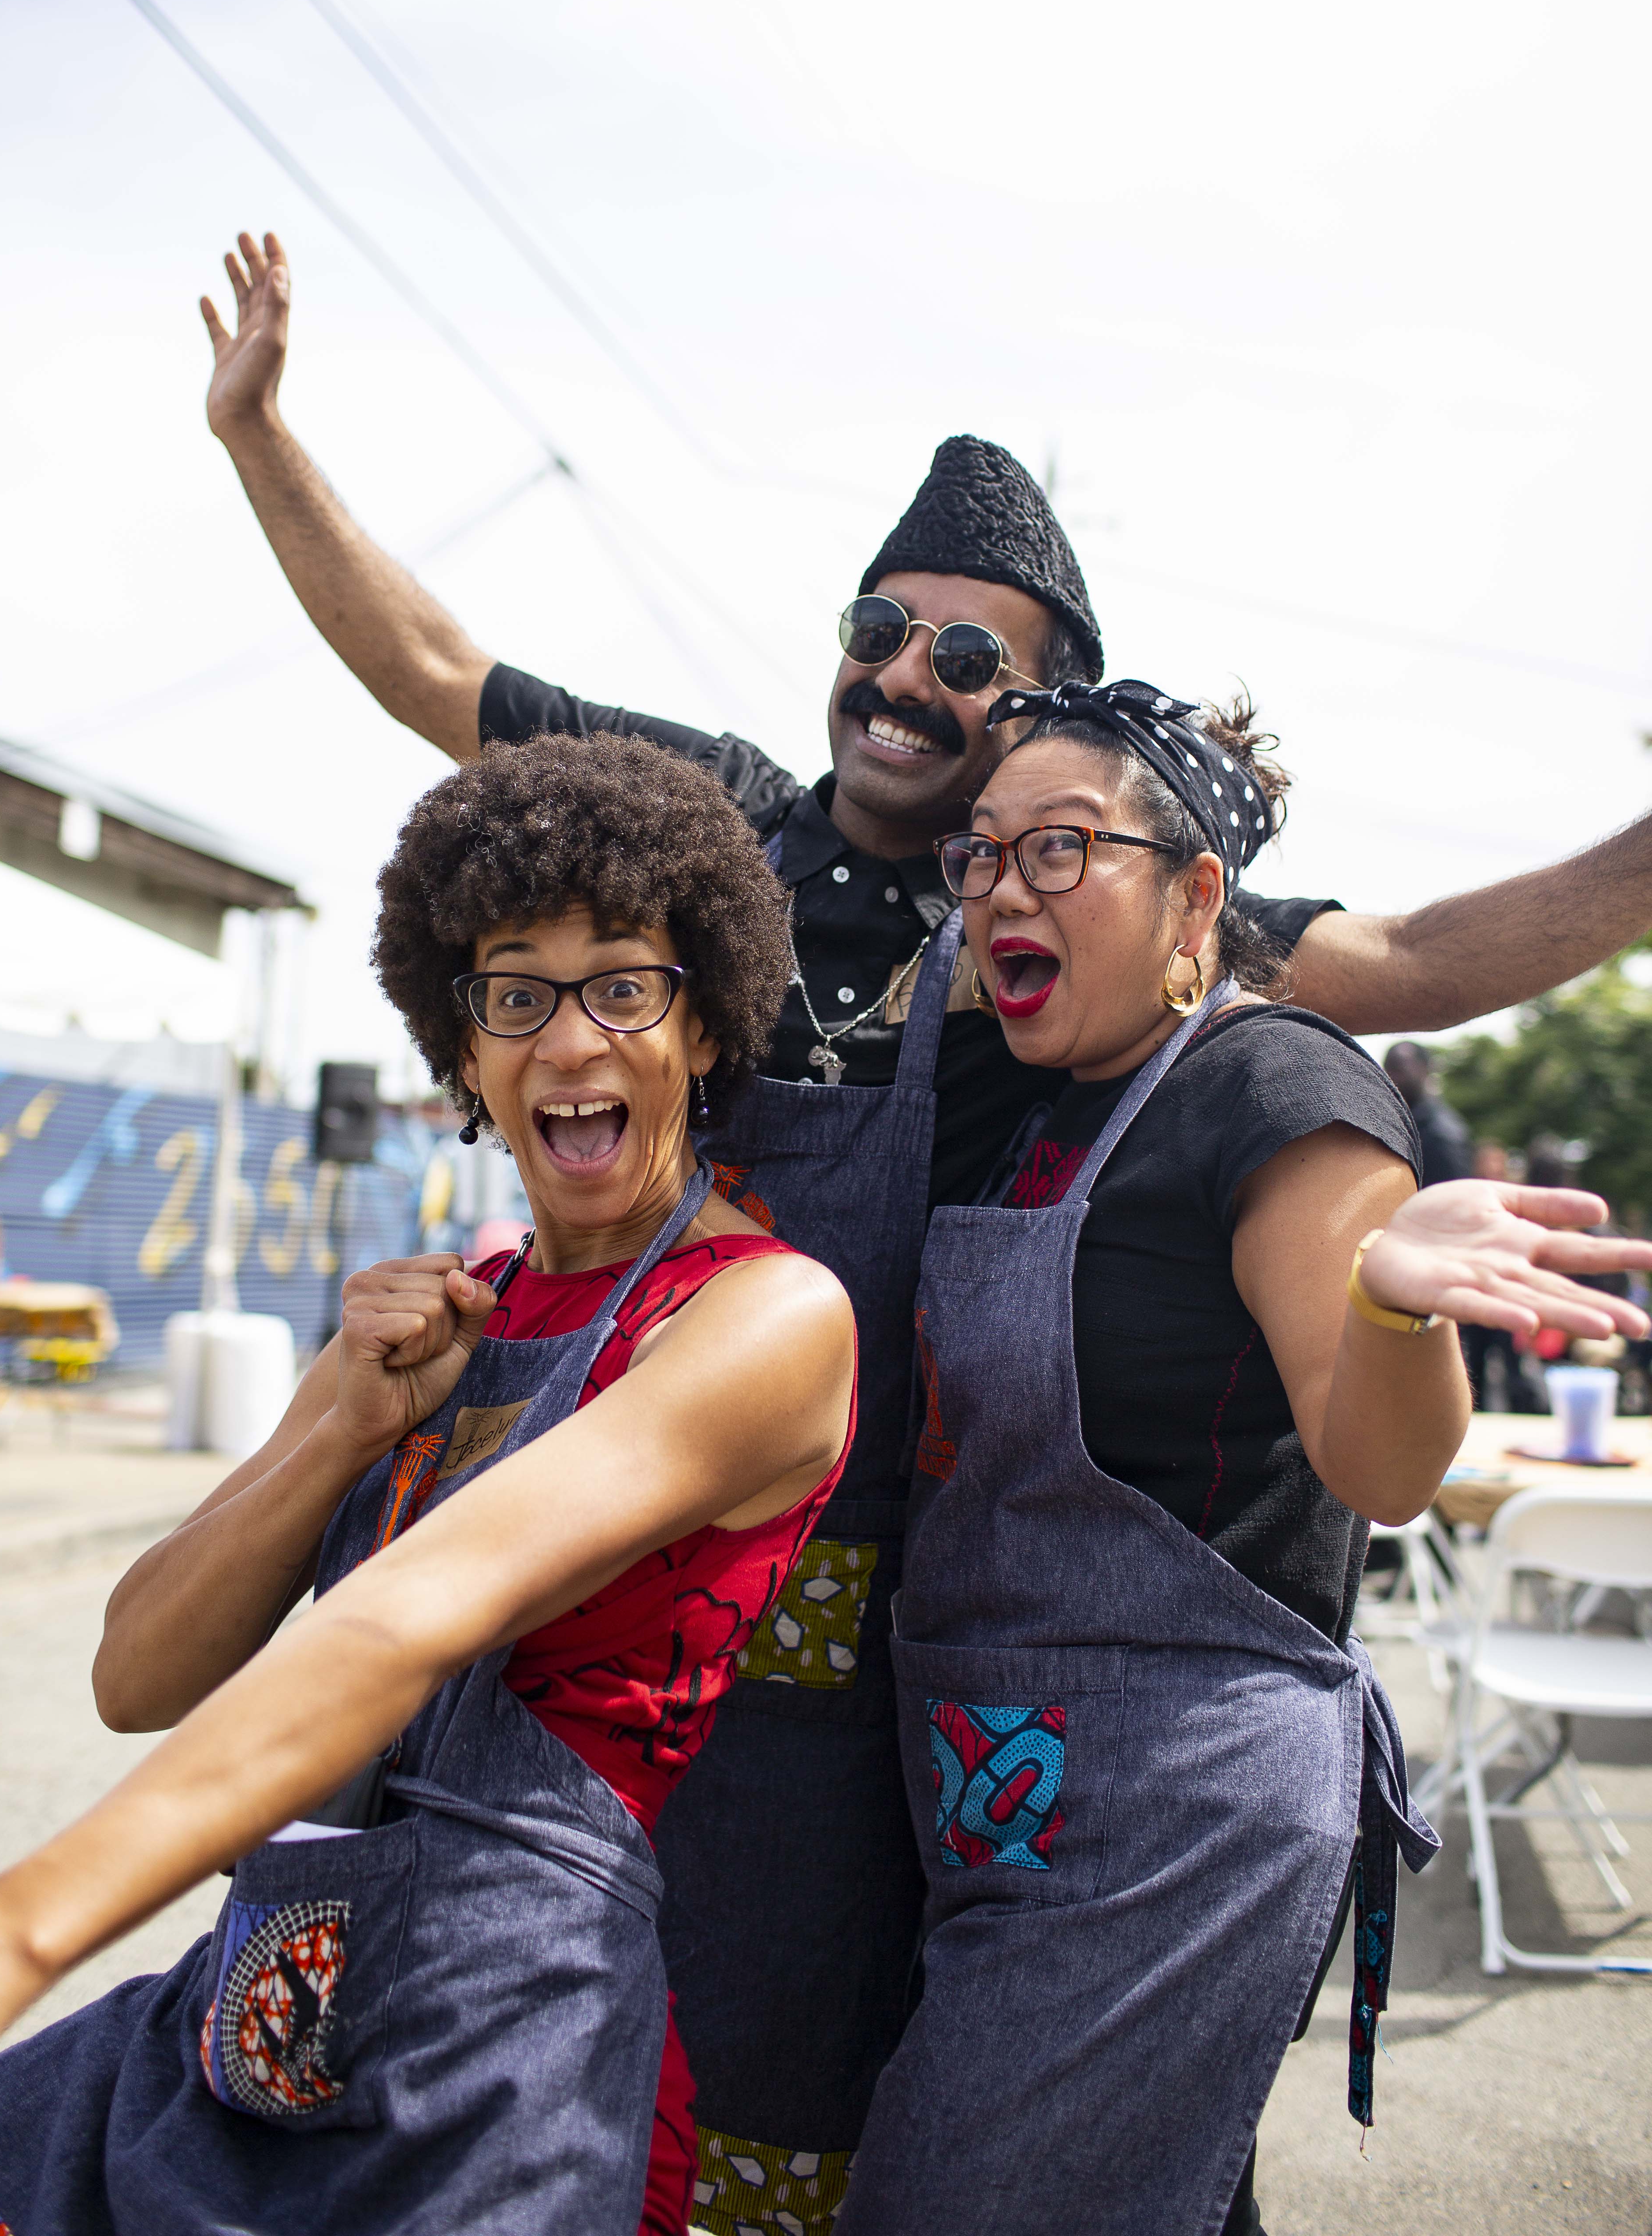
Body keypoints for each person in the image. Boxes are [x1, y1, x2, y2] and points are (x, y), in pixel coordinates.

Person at [200, 231, 1652, 2218]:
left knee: (903, 2098)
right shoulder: (705, 823)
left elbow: (1409, 953)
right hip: (631, 1562)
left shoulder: (1093, 931)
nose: (901, 673)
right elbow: (436, 676)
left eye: (968, 661)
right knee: (547, 2054)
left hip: (904, 1667)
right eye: (881, 622)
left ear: (1058, 752)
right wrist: (259, 434)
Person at [0, 733, 856, 2236]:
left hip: (509, 2067)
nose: (572, 1042)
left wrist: (14, 1933)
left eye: (625, 985)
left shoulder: (761, 1319)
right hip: (255, 2029)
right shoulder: (422, 1321)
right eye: (516, 995)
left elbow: (413, 1618)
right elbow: (134, 1670)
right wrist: (337, 1432)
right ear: (462, 1051)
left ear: (704, 1030)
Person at [836, 677, 1652, 2236]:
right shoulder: (1034, 1110)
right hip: (1001, 1791)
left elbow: (1383, 1469)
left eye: (1060, 851)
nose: (1005, 887)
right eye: (984, 857)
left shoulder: (1275, 1086)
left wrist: (1395, 1306)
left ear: (1198, 896)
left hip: (1173, 1811)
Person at [1384, 1039, 1475, 1185]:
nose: (1391, 1078)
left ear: (1425, 1069)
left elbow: (1451, 1196)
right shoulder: (1399, 1120)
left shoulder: (1441, 1133)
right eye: (1387, 1070)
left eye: (1399, 1070)